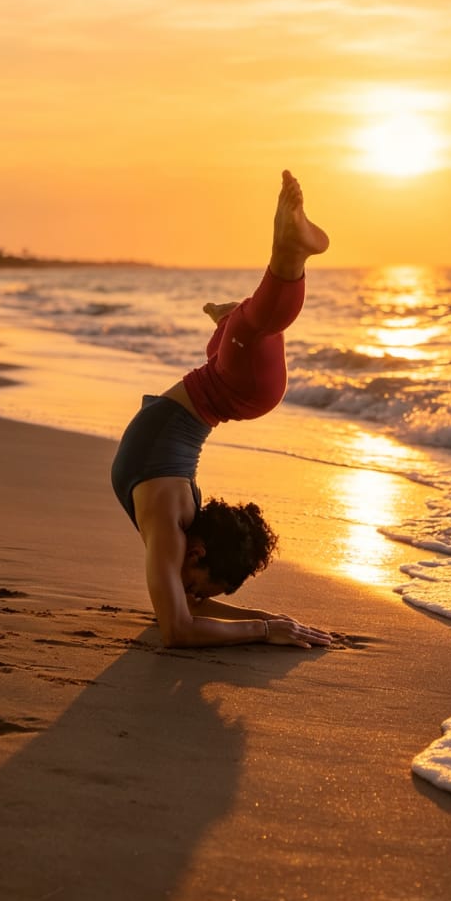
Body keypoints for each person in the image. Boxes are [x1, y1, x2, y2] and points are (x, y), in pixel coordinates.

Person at [111, 170, 334, 650]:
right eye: (200, 584)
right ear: (201, 551)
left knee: (250, 334)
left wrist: (270, 618)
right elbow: (178, 628)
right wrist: (265, 628)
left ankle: (235, 318)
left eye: (195, 589)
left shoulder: (175, 530)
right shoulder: (171, 530)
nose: (191, 592)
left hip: (218, 395)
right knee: (254, 331)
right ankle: (287, 256)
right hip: (236, 393)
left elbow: (184, 614)